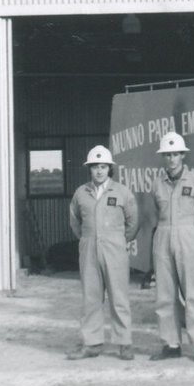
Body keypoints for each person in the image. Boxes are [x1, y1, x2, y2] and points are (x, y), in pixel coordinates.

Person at [67, 144, 139, 361]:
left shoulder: (122, 192)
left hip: (115, 249)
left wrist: (118, 240)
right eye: (94, 167)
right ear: (89, 169)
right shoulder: (81, 193)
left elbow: (133, 222)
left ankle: (124, 344)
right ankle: (92, 343)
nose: (99, 171)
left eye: (103, 166)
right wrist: (88, 239)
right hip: (89, 248)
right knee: (91, 298)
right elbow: (74, 222)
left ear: (110, 168)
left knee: (119, 297)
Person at [149, 132, 194, 363]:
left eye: (175, 154)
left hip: (188, 237)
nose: (171, 159)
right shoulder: (157, 184)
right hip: (164, 235)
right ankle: (171, 344)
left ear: (183, 156)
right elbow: (155, 214)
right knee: (165, 295)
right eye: (167, 154)